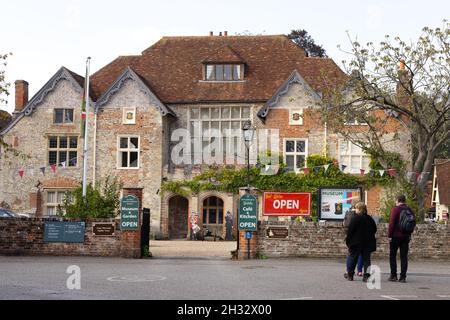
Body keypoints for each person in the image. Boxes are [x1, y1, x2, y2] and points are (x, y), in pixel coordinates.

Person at [345, 202, 377, 282]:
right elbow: (374, 229)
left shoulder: (355, 218)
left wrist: (348, 242)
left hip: (356, 243)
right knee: (366, 260)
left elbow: (350, 231)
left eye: (356, 208)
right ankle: (366, 276)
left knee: (353, 259)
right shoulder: (369, 218)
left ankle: (350, 275)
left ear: (359, 209)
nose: (355, 210)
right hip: (367, 243)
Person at [388, 195, 414, 283]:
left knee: (392, 256)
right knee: (404, 257)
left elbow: (391, 223)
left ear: (398, 200)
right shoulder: (409, 210)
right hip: (406, 236)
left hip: (395, 236)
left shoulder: (395, 209)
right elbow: (412, 222)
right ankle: (403, 277)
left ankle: (393, 275)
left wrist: (389, 236)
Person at [343, 203, 363, 277]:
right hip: (361, 237)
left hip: (351, 237)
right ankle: (360, 271)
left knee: (350, 254)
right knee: (361, 254)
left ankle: (349, 271)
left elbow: (344, 224)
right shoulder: (362, 214)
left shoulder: (348, 213)